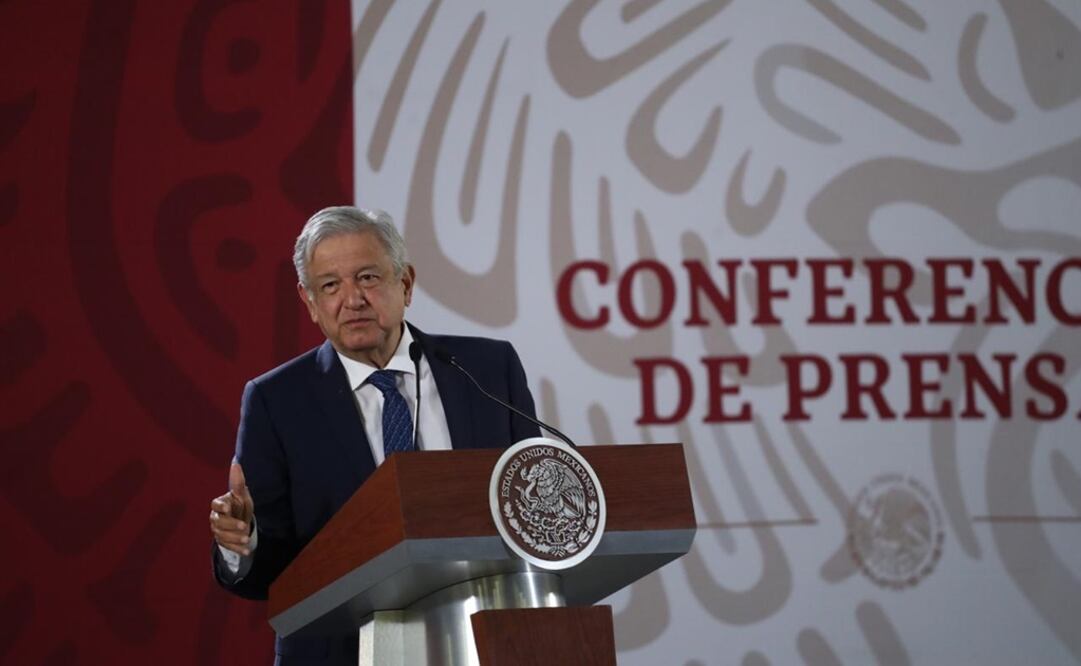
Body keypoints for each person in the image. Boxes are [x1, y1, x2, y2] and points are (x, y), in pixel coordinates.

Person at [208, 206, 540, 665]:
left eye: (367, 278)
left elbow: (534, 500)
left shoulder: (486, 370)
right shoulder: (276, 401)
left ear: (405, 284)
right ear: (309, 302)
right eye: (330, 286)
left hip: (485, 641)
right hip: (342, 652)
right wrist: (242, 542)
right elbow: (273, 572)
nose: (352, 299)